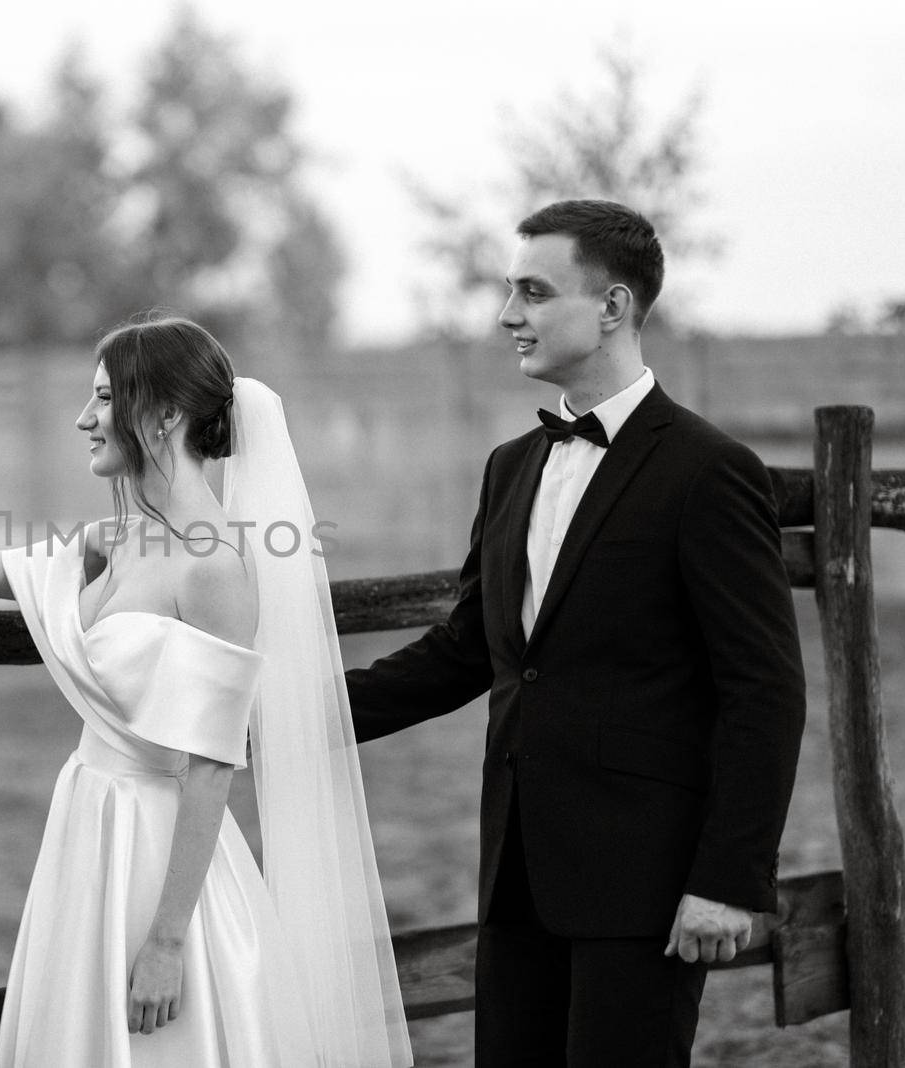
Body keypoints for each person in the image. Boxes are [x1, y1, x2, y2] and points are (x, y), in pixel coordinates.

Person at [0, 316, 410, 1066]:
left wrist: (167, 941)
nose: (83, 418)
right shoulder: (118, 537)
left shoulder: (217, 567)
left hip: (160, 856)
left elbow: (210, 768)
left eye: (103, 399)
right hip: (87, 828)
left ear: (164, 414)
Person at [345, 199, 806, 1066]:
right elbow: (468, 652)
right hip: (516, 869)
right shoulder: (511, 467)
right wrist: (297, 712)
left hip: (649, 881)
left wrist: (728, 882)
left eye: (532, 291)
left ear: (613, 307)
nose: (506, 315)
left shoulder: (709, 472)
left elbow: (765, 690)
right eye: (509, 291)